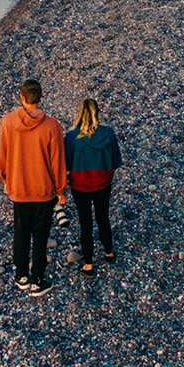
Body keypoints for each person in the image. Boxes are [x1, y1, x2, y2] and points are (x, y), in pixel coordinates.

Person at [0, 78, 66, 298]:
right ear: (41, 98)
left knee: (21, 232)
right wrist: (60, 189)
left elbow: (3, 154)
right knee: (40, 235)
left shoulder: (8, 121)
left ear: (22, 98)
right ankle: (37, 279)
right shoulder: (52, 125)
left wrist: (4, 178)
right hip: (44, 190)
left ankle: (21, 276)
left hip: (19, 188)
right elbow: (57, 161)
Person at [63, 98, 121, 277]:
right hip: (103, 182)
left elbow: (67, 163)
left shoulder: (72, 137)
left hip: (80, 185)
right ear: (98, 113)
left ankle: (88, 264)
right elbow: (115, 160)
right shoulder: (108, 133)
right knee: (103, 217)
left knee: (85, 222)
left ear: (79, 113)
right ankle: (109, 252)